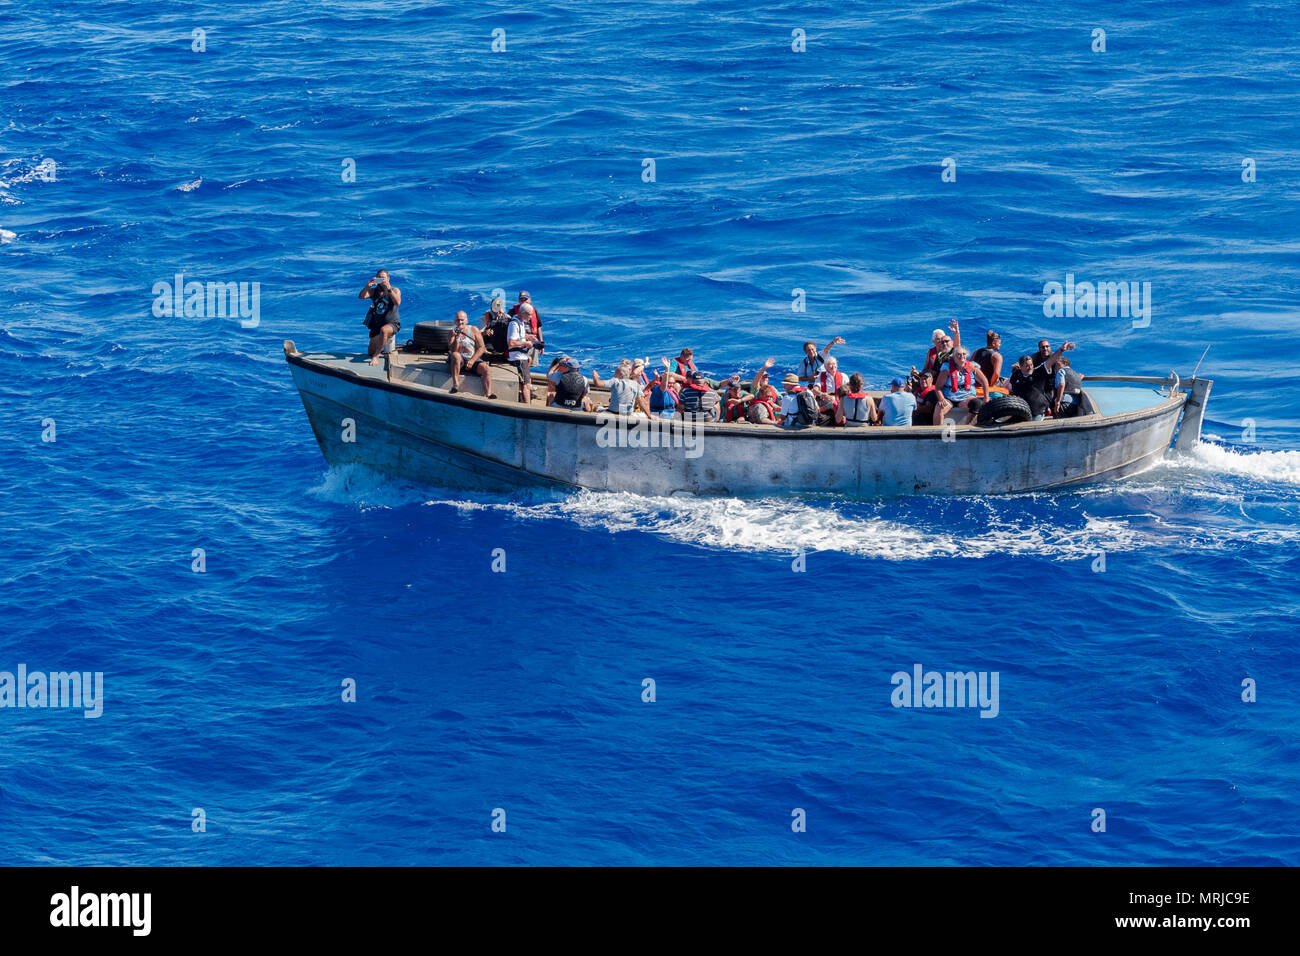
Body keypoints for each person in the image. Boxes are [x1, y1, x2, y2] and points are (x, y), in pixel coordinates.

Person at [446, 311, 496, 397]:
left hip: (471, 359)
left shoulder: (474, 330)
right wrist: (456, 338)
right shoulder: (452, 333)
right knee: (455, 355)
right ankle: (455, 385)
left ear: (467, 320)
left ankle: (489, 393)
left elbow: (481, 347)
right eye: (458, 320)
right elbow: (453, 350)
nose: (460, 322)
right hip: (458, 361)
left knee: (486, 368)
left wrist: (472, 360)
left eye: (462, 320)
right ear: (455, 321)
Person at [359, 269, 402, 366]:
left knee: (384, 330)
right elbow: (361, 296)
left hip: (392, 324)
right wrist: (367, 286)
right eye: (379, 278)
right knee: (370, 352)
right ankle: (378, 350)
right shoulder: (374, 291)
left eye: (383, 278)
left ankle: (376, 356)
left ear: (388, 278)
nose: (381, 280)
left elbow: (397, 302)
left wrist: (389, 288)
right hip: (377, 325)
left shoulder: (395, 290)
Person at [936, 347, 990, 422]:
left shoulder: (972, 366)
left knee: (977, 403)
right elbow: (938, 387)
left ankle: (967, 428)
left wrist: (986, 397)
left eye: (963, 354)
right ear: (953, 357)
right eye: (958, 354)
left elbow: (984, 381)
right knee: (939, 407)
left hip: (966, 397)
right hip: (949, 398)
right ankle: (938, 431)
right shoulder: (947, 368)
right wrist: (942, 399)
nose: (961, 356)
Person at [507, 307, 541, 403]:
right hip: (518, 357)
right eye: (529, 314)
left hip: (522, 356)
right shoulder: (514, 324)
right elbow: (511, 343)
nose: (531, 317)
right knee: (526, 384)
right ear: (522, 313)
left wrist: (527, 337)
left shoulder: (520, 322)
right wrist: (526, 343)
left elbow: (518, 336)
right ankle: (527, 406)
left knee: (527, 381)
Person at [1009, 354, 1052, 420]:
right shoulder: (1016, 375)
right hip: (1021, 409)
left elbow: (1050, 362)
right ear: (1021, 366)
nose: (1030, 367)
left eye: (1031, 365)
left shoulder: (1037, 373)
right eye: (1027, 366)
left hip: (1037, 410)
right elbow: (1012, 390)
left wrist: (1061, 350)